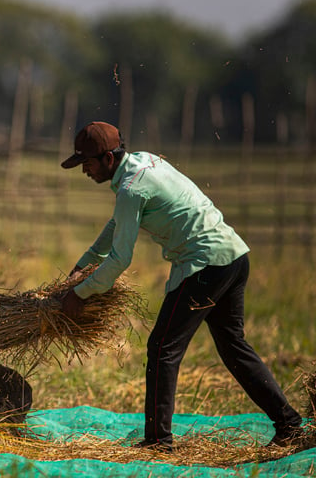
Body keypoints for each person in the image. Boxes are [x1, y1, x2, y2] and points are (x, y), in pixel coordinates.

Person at [60, 121, 304, 451]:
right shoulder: (142, 163)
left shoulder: (131, 189)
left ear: (106, 159)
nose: (84, 171)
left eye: (86, 164)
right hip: (232, 256)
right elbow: (116, 226)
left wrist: (80, 293)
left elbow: (119, 260)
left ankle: (159, 441)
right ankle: (289, 424)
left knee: (162, 348)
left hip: (204, 267)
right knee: (233, 347)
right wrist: (79, 269)